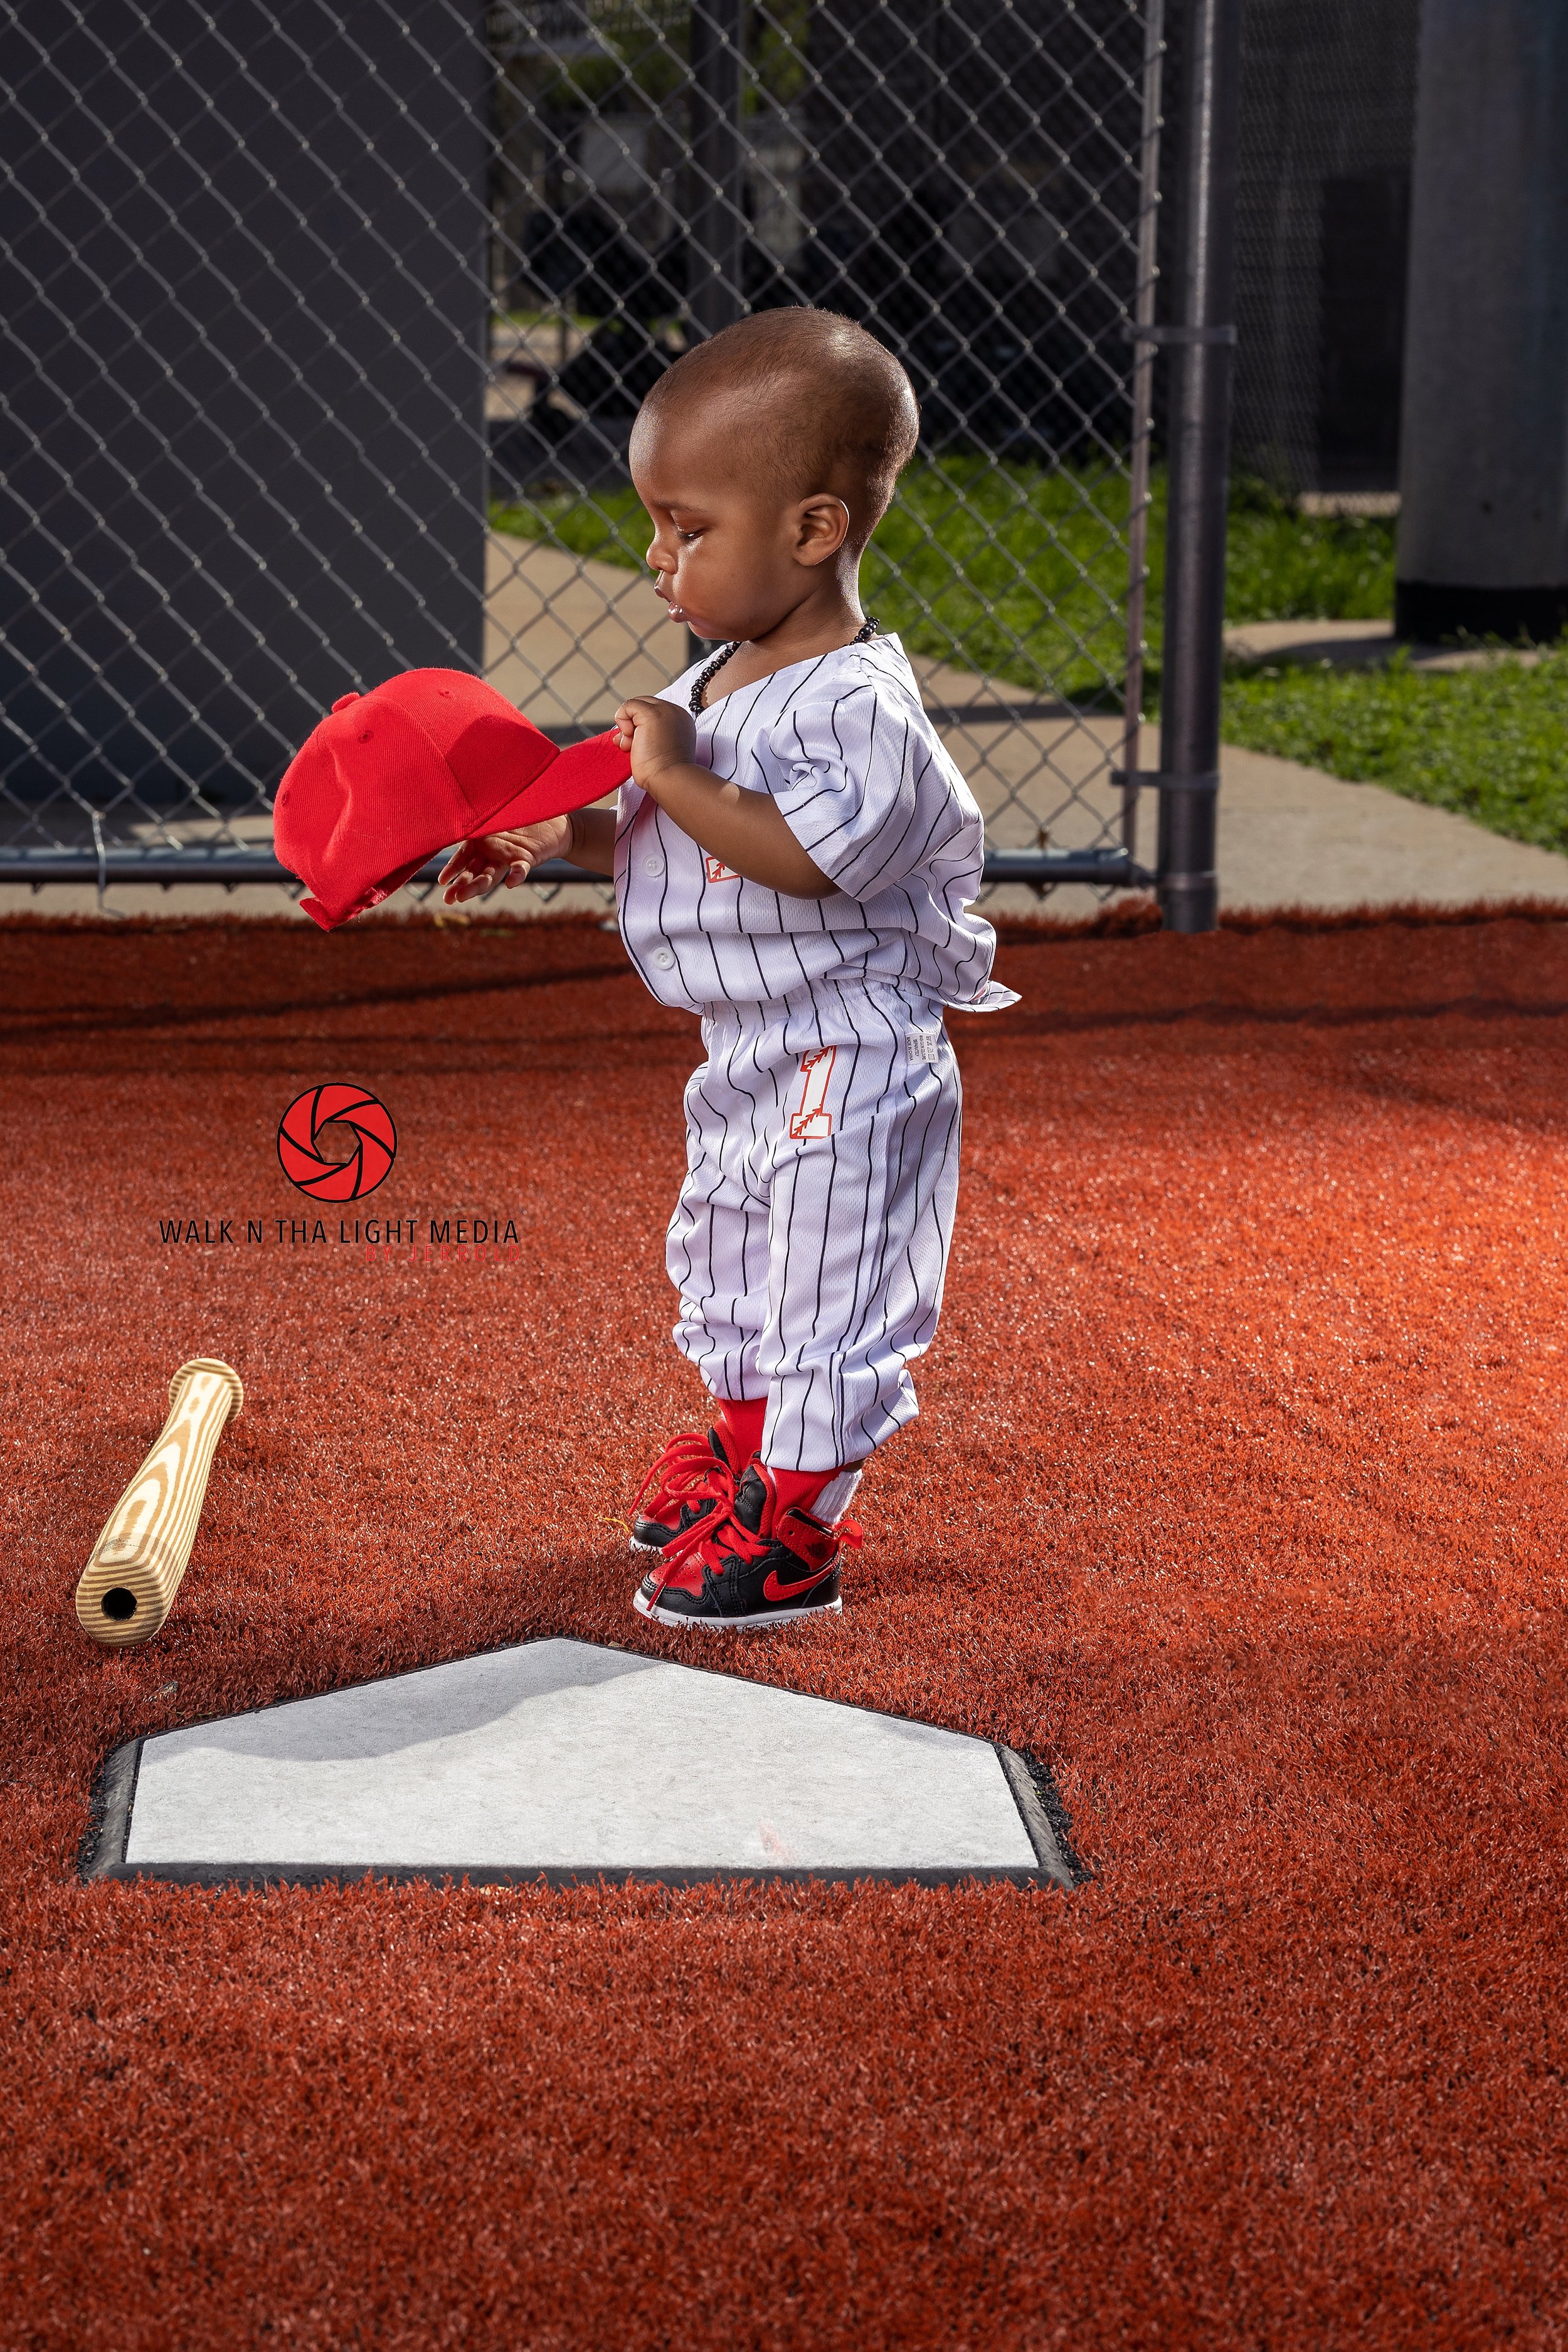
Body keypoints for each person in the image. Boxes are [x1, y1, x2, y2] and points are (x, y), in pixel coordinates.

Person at [440, 308, 1015, 1628]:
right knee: (731, 1252)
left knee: (825, 1272)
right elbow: (676, 838)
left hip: (852, 1047)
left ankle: (797, 1519)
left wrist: (671, 771)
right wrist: (555, 831)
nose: (657, 562)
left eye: (687, 531)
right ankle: (745, 1454)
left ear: (814, 531)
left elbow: (803, 859)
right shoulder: (724, 674)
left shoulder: (864, 711)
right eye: (656, 527)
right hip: (750, 1045)